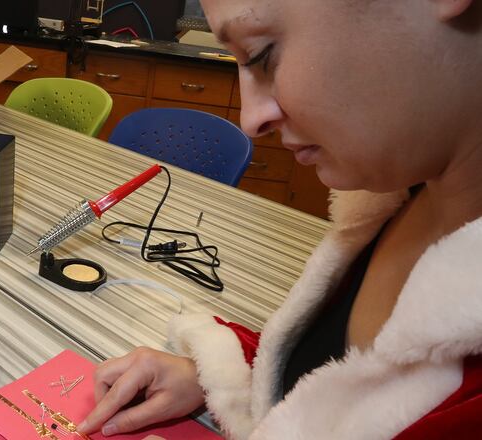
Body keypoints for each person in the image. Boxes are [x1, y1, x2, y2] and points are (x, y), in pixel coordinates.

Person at [76, 0, 482, 438]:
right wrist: (227, 371)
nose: (251, 120)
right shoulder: (398, 202)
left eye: (261, 54)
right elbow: (332, 379)